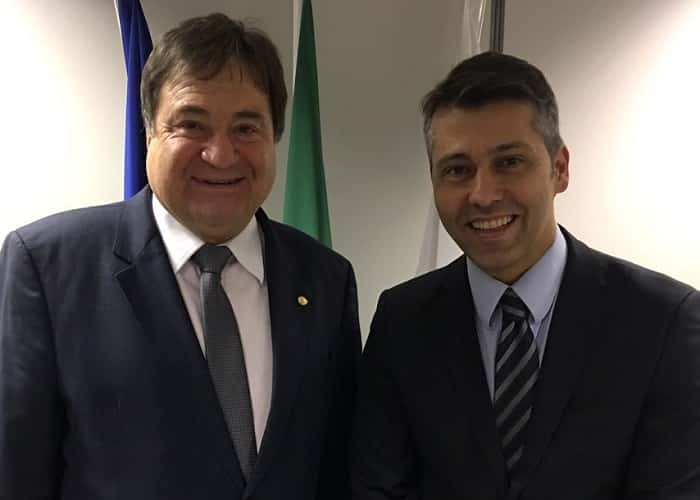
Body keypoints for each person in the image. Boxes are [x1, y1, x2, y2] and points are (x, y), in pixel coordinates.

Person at [0, 13, 360, 500]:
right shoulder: (47, 267)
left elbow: (337, 470)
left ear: (274, 135)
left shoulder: (325, 279)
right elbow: (16, 474)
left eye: (246, 128)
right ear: (149, 131)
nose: (220, 154)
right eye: (191, 124)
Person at [350, 51, 700, 499]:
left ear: (560, 168)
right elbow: (377, 489)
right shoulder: (402, 322)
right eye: (458, 170)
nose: (483, 194)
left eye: (509, 162)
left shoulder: (663, 322)